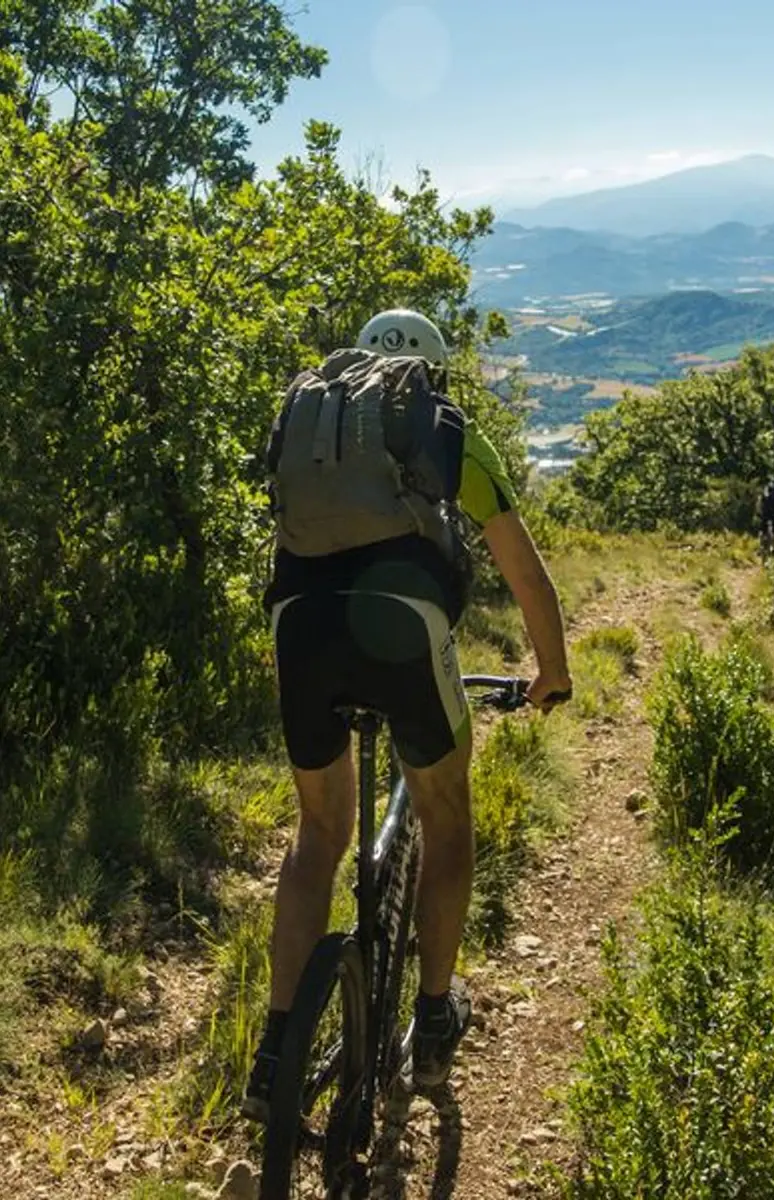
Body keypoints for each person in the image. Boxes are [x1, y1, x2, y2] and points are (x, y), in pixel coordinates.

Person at [243, 308, 572, 1120]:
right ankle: (430, 1024)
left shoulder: (313, 417)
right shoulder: (441, 426)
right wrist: (552, 672)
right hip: (402, 626)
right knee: (446, 813)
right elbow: (524, 573)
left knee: (317, 835)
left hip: (301, 625)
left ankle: (275, 1050)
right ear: (429, 372)